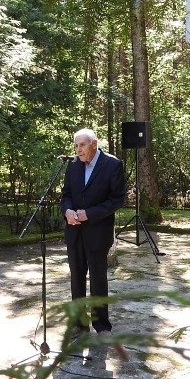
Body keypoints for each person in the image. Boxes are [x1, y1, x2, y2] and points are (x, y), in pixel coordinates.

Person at [60, 128, 125, 336]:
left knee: (98, 280)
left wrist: (89, 214)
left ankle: (102, 325)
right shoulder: (73, 165)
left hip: (98, 232)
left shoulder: (112, 165)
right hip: (74, 231)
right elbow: (66, 194)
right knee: (76, 278)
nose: (78, 150)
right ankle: (79, 323)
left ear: (94, 144)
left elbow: (116, 200)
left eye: (82, 145)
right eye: (76, 145)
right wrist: (67, 211)